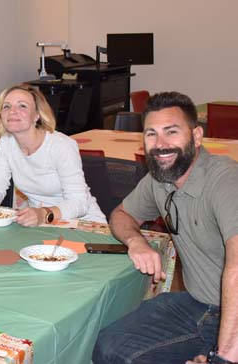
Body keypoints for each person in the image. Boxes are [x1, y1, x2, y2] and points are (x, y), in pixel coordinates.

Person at [93, 92, 238, 364]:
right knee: (109, 348)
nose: (160, 144)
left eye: (171, 132)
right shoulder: (160, 179)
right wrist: (136, 241)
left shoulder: (226, 180)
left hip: (232, 313)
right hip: (199, 304)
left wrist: (225, 359)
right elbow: (121, 215)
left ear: (196, 136)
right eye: (151, 134)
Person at [0, 83, 106, 225]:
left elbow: (79, 202)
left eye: (22, 106)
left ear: (36, 116)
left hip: (83, 224)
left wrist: (44, 214)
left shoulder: (61, 146)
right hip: (40, 224)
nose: (12, 111)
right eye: (6, 106)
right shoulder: (6, 143)